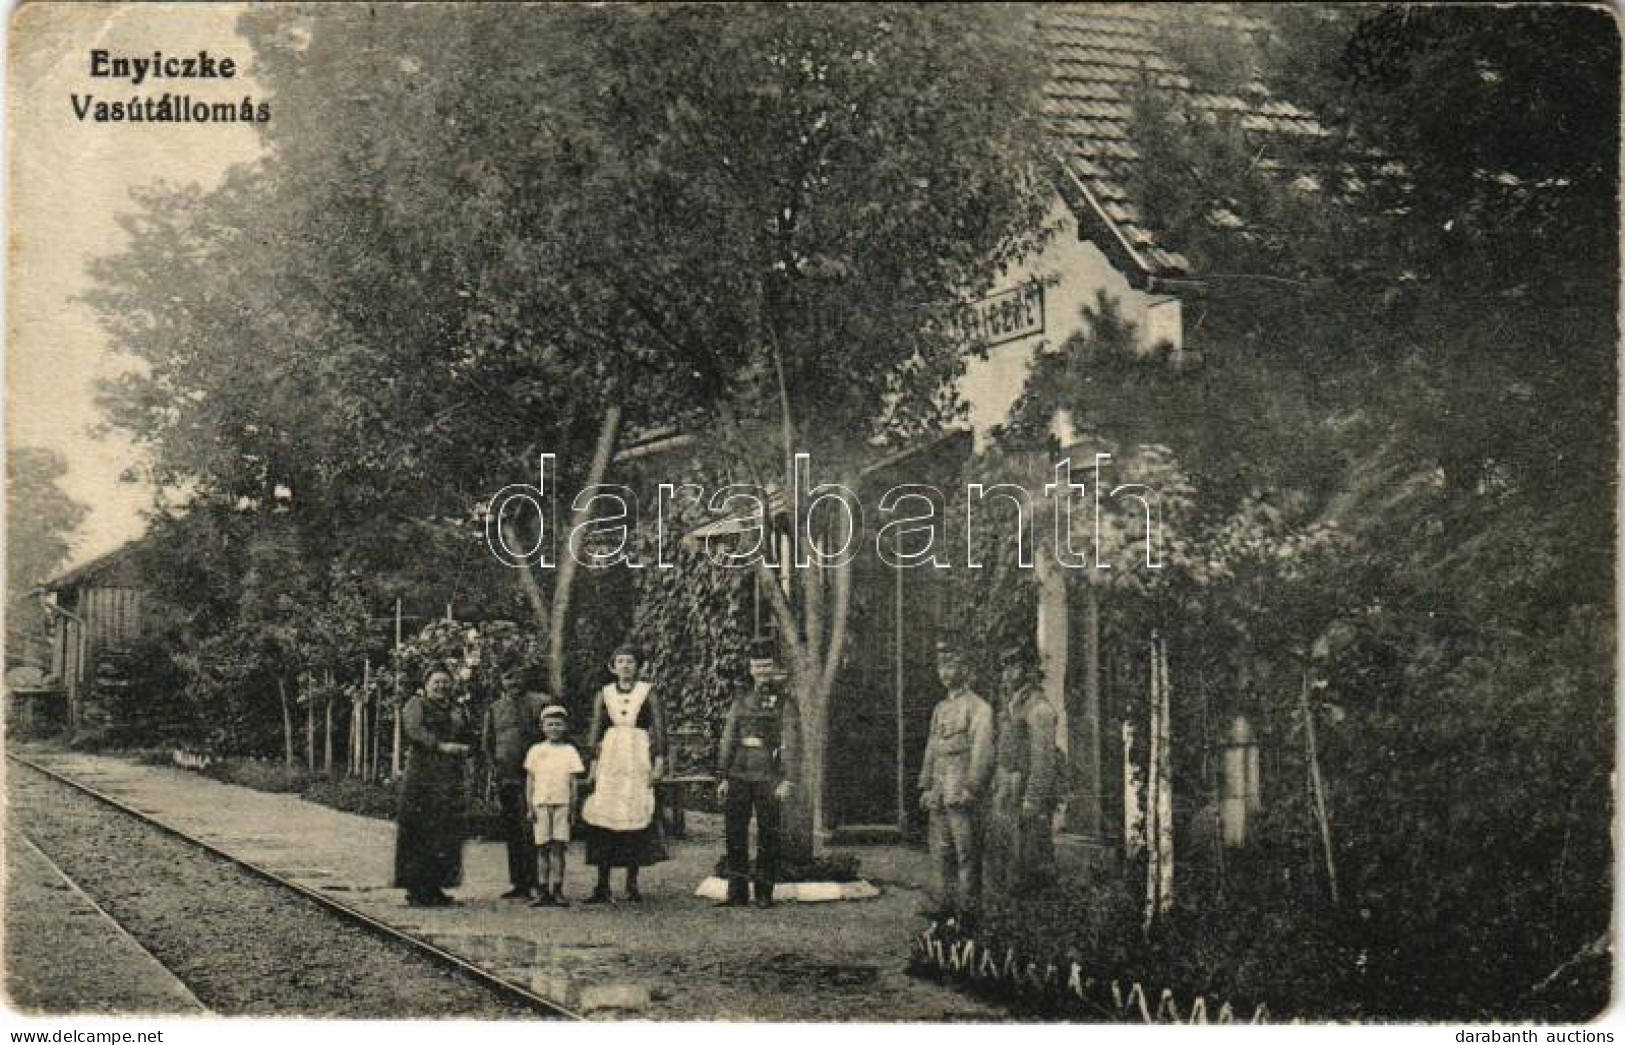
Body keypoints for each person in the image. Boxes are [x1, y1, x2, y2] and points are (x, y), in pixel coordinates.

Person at [580, 643, 668, 903]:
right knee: (605, 813)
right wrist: (593, 766)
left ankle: (632, 883)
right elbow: (596, 730)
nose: (625, 666)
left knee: (635, 811)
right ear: (613, 666)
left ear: (638, 666)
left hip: (637, 756)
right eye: (620, 662)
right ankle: (602, 884)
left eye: (630, 661)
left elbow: (660, 729)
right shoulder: (604, 693)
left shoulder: (648, 692)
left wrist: (660, 761)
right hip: (611, 759)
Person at [715, 657, 800, 908]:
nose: (762, 672)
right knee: (734, 833)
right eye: (757, 667)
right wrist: (723, 776)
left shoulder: (785, 702)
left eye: (766, 667)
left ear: (774, 670)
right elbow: (729, 738)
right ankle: (737, 893)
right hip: (739, 772)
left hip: (769, 774)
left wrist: (788, 779)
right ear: (751, 670)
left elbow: (791, 742)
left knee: (768, 834)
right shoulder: (741, 699)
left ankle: (764, 892)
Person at [918, 640, 994, 920]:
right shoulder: (940, 708)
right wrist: (926, 786)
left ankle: (968, 913)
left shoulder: (979, 708)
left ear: (966, 668)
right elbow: (932, 747)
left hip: (961, 792)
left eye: (951, 665)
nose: (945, 672)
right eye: (941, 665)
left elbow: (982, 751)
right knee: (940, 853)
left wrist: (972, 787)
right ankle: (944, 907)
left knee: (967, 854)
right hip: (940, 789)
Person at [394, 667, 475, 907]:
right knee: (420, 830)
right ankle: (417, 888)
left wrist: (469, 748)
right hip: (423, 776)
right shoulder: (415, 704)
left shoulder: (457, 709)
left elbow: (468, 733)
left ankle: (436, 886)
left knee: (445, 831)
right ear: (426, 685)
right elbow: (415, 731)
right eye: (436, 682)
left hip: (450, 777)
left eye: (445, 682)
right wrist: (441, 746)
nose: (441, 687)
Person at [986, 647, 1061, 895]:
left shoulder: (1039, 709)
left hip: (1024, 789)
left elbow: (1043, 760)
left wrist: (1033, 799)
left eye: (1015, 666)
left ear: (1029, 671)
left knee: (1029, 859)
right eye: (1005, 667)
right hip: (1006, 788)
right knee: (1005, 855)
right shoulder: (1012, 703)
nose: (1008, 673)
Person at [481, 675, 545, 899]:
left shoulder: (540, 703)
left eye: (517, 676)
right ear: (502, 681)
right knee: (513, 830)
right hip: (506, 776)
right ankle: (519, 883)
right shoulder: (495, 708)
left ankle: (537, 881)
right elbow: (488, 743)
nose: (513, 682)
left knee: (532, 828)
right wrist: (494, 769)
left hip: (535, 777)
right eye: (507, 678)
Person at [524, 705, 585, 907]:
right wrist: (530, 807)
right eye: (550, 724)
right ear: (542, 727)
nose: (554, 728)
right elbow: (530, 781)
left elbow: (573, 782)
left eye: (558, 724)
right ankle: (542, 890)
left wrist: (573, 809)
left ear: (565, 727)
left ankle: (557, 889)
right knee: (542, 848)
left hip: (562, 804)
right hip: (541, 804)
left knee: (558, 848)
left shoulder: (569, 751)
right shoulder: (536, 750)